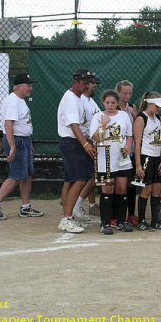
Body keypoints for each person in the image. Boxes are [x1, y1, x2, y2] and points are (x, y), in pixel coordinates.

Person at [0, 73, 44, 220]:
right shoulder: (13, 101)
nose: (30, 88)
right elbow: (8, 125)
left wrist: (28, 142)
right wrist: (12, 146)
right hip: (16, 141)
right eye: (28, 85)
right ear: (19, 86)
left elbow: (22, 124)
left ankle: (25, 207)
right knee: (16, 175)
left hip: (23, 140)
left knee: (27, 175)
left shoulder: (20, 100)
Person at [57, 69, 96, 233]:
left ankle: (69, 216)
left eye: (89, 82)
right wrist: (86, 145)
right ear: (76, 82)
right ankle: (66, 218)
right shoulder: (71, 98)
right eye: (84, 82)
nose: (87, 85)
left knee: (71, 180)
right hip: (72, 142)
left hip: (76, 142)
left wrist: (87, 141)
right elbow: (74, 126)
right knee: (79, 179)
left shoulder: (80, 98)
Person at [90, 90, 134, 235]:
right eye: (107, 103)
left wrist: (128, 146)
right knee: (107, 189)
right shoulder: (98, 116)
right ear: (103, 103)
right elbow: (97, 138)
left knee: (122, 189)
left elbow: (129, 135)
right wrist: (103, 123)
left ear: (117, 103)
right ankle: (105, 223)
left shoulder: (124, 116)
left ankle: (121, 221)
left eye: (113, 103)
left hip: (121, 158)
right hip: (105, 158)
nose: (110, 105)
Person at [133, 91, 161, 231]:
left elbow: (159, 141)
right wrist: (138, 165)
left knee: (157, 188)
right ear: (149, 104)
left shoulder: (157, 118)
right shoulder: (141, 118)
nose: (159, 108)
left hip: (156, 158)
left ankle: (156, 220)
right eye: (157, 106)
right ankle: (141, 220)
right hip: (145, 157)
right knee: (146, 188)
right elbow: (137, 143)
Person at [73, 74, 102, 225]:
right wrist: (86, 143)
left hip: (91, 141)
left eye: (95, 82)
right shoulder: (81, 100)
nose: (94, 85)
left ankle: (90, 205)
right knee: (89, 177)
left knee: (94, 175)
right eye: (91, 83)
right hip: (84, 142)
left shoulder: (91, 101)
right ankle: (73, 206)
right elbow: (79, 124)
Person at [116, 80, 138, 225]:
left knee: (131, 182)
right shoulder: (113, 106)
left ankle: (131, 213)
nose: (127, 96)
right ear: (118, 92)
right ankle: (117, 214)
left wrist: (135, 114)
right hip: (118, 150)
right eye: (124, 93)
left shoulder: (131, 107)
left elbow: (138, 127)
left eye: (130, 93)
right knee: (118, 183)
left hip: (132, 149)